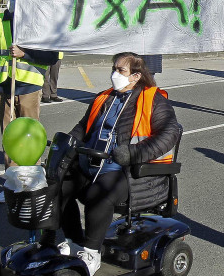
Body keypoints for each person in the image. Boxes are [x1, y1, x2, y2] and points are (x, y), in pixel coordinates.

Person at [50, 52, 183, 275]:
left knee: (100, 193)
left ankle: (91, 253)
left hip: (128, 170)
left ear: (136, 76)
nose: (114, 74)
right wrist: (66, 144)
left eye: (121, 70)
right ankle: (74, 241)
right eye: (114, 68)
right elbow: (84, 127)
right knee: (58, 185)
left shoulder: (153, 99)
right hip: (92, 162)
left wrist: (133, 153)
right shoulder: (104, 97)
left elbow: (170, 133)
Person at [0, 0, 59, 203]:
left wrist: (24, 54)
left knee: (29, 136)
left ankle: (33, 181)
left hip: (28, 87)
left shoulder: (39, 22)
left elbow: (51, 56)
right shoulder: (0, 21)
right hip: (5, 86)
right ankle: (12, 182)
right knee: (9, 137)